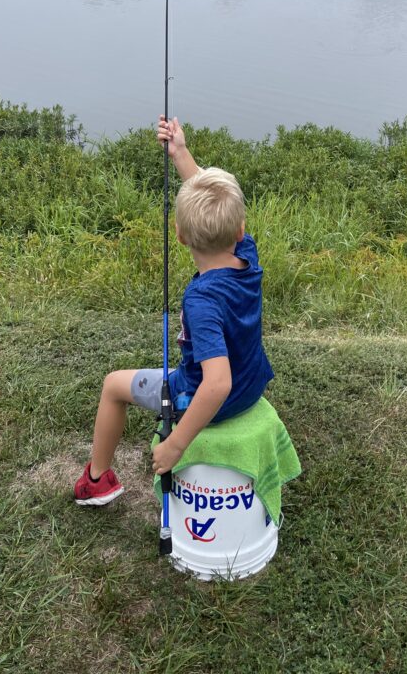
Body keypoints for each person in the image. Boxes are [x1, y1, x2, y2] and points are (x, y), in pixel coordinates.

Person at [74, 116, 275, 505]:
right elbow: (215, 203)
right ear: (240, 230)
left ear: (180, 235)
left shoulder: (201, 300)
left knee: (114, 385)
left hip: (210, 397)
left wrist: (176, 445)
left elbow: (216, 384)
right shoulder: (247, 256)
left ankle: (97, 479)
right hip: (253, 385)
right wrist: (180, 152)